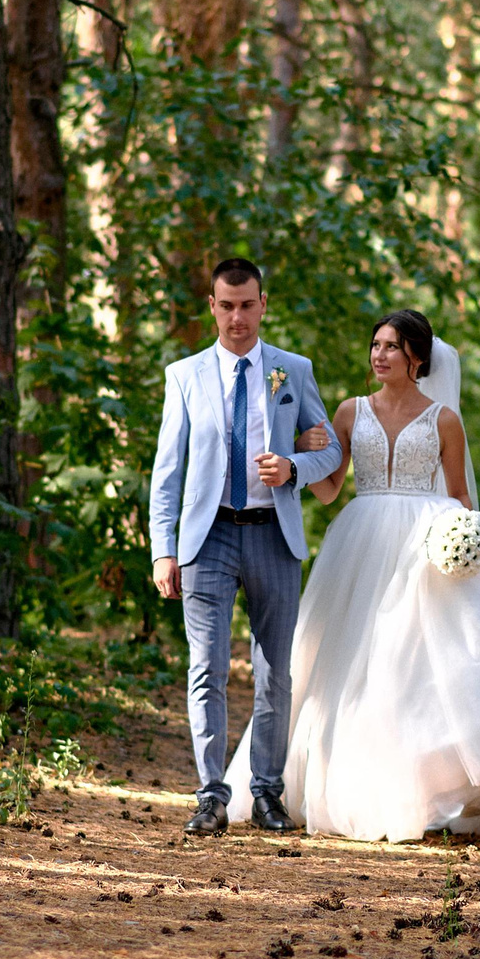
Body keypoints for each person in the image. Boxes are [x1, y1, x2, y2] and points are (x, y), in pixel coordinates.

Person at [228, 309, 480, 842]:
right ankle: (331, 784)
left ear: (417, 358)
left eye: (391, 347)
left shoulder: (445, 418)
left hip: (426, 544)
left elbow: (460, 496)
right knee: (346, 660)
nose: (379, 355)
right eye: (375, 344)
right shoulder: (350, 412)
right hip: (360, 539)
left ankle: (430, 788)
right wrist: (299, 458)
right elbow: (332, 488)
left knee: (421, 666)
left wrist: (467, 544)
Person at [147, 259, 344, 834]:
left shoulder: (292, 371)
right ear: (212, 306)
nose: (237, 317)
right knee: (205, 668)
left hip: (272, 537)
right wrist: (164, 550)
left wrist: (294, 466)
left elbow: (330, 451)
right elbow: (168, 473)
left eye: (247, 305)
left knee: (273, 672)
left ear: (264, 304)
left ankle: (267, 793)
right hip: (206, 541)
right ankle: (210, 795)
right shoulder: (183, 375)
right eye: (226, 305)